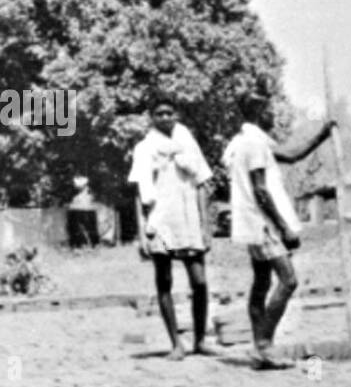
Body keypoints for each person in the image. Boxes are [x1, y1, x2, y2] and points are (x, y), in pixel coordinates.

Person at [223, 92, 336, 369]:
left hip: (254, 221)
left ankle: (261, 347)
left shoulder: (249, 142)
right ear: (258, 115)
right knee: (288, 280)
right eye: (267, 112)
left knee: (262, 283)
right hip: (263, 222)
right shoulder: (252, 144)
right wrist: (284, 227)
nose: (272, 116)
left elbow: (291, 155)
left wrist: (322, 135)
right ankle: (264, 345)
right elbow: (261, 190)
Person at [128, 102, 215, 359]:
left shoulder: (188, 143)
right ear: (152, 117)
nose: (165, 117)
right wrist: (142, 232)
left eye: (169, 113)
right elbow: (138, 192)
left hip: (188, 220)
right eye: (159, 113)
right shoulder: (144, 149)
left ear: (176, 115)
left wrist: (206, 225)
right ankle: (176, 343)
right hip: (160, 220)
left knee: (199, 281)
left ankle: (199, 340)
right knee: (164, 281)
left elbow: (201, 184)